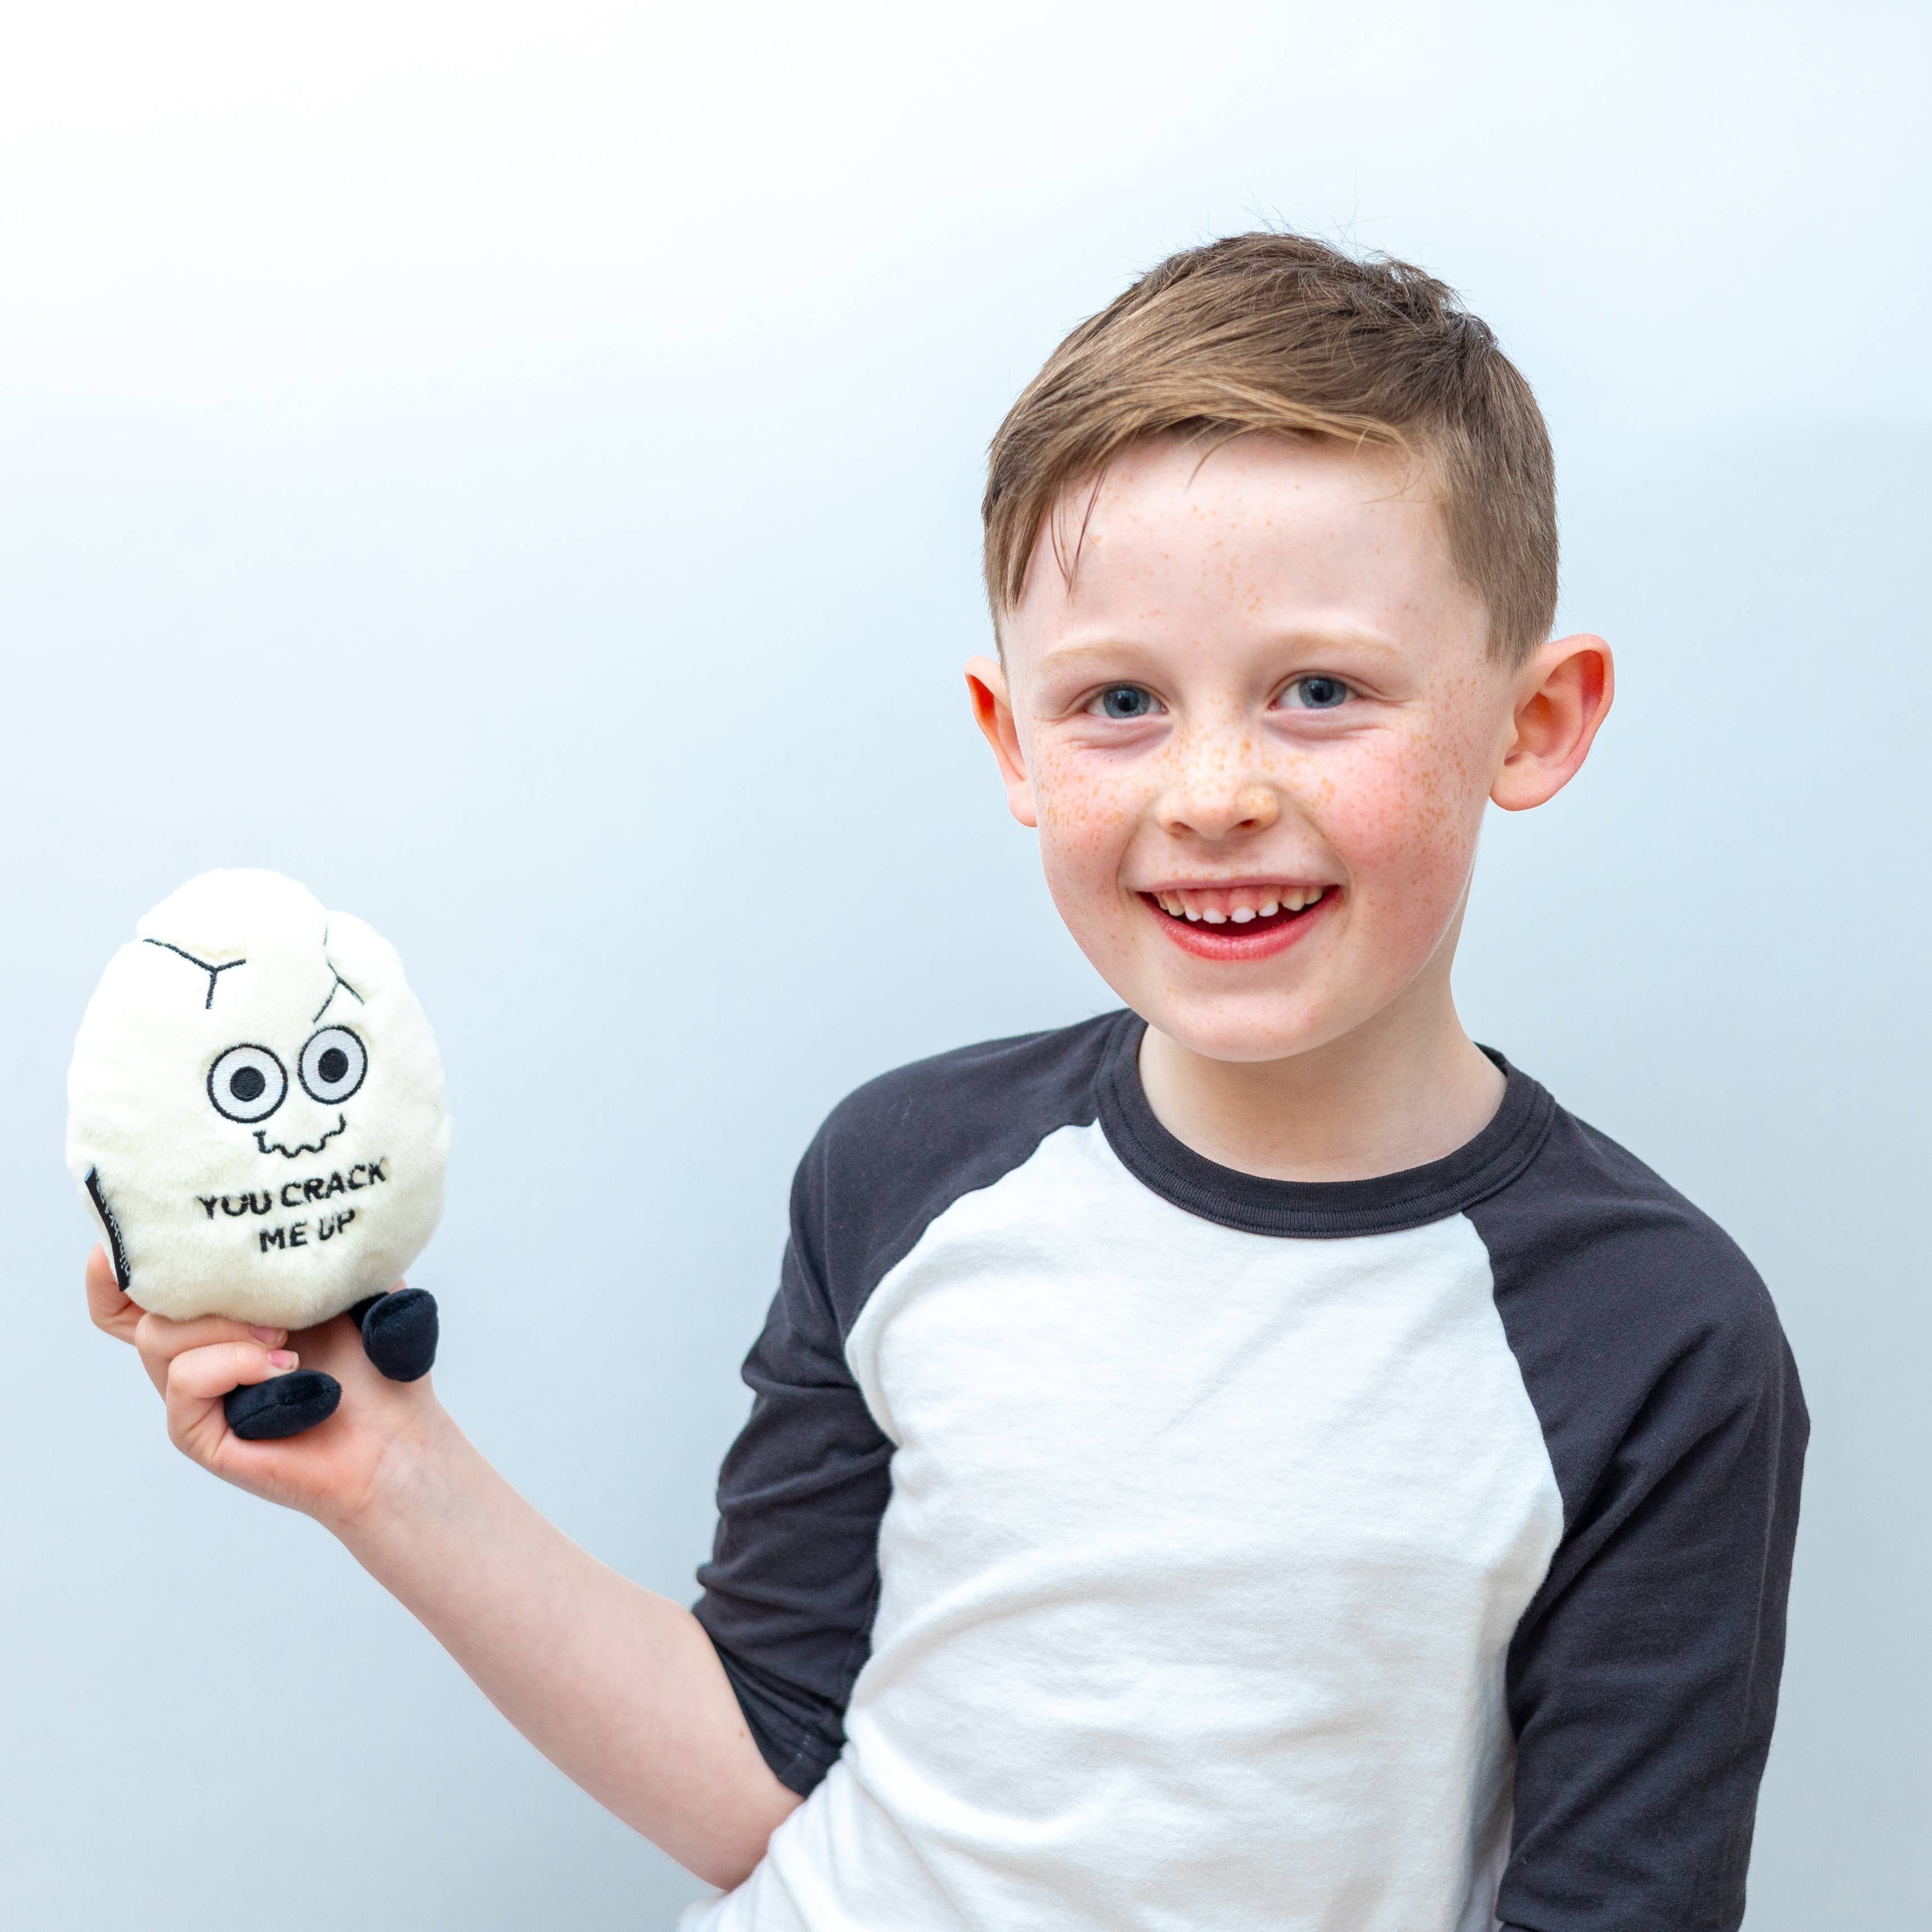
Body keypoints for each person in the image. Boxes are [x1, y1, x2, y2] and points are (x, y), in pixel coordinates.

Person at [86, 232, 1806, 1931]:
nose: (1211, 791)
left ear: (1535, 720)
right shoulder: (905, 1171)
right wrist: (385, 1462)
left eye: (1321, 692)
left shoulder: (1657, 1342)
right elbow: (760, 1779)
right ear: (1011, 743)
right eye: (1120, 700)